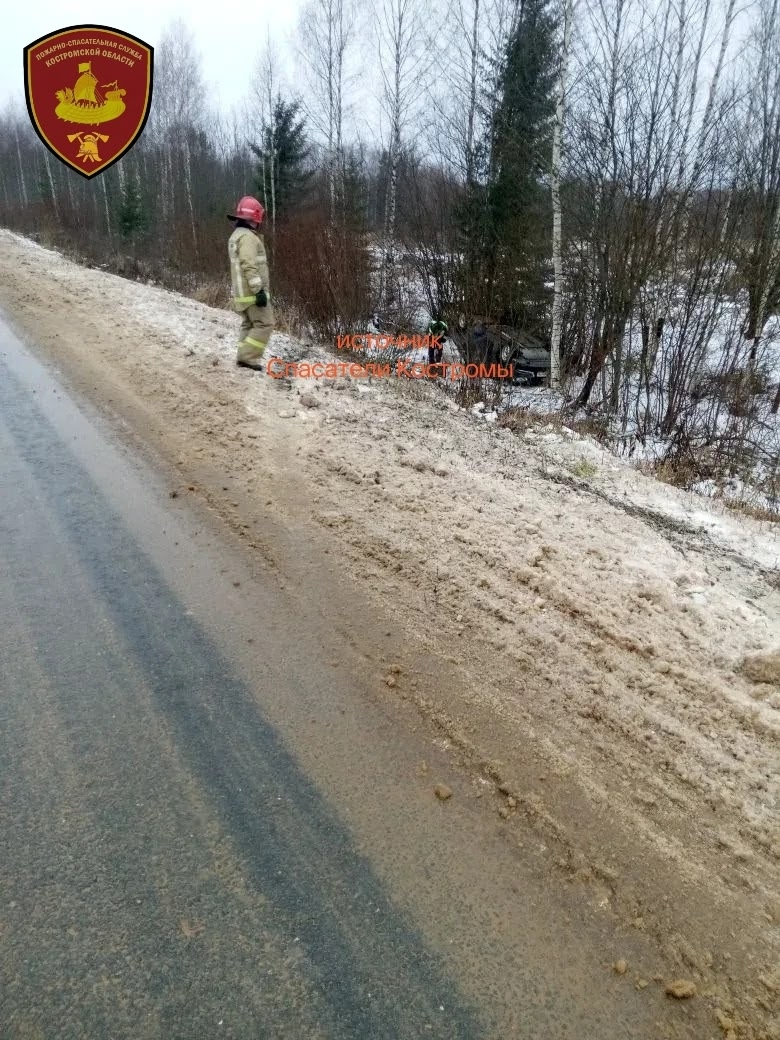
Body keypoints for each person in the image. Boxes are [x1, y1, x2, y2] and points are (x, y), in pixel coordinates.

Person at [227, 195, 274, 370]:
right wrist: (259, 290)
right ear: (255, 217)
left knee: (249, 324)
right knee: (265, 323)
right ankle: (248, 357)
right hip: (252, 293)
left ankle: (242, 356)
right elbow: (249, 265)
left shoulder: (236, 235)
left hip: (241, 293)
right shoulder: (248, 238)